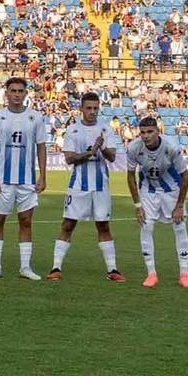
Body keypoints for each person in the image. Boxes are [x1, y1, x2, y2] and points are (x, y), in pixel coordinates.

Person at [51, 92, 123, 282]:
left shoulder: (106, 129)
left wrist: (101, 148)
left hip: (101, 187)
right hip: (78, 185)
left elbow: (113, 157)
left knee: (103, 225)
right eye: (89, 108)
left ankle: (113, 270)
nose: (92, 112)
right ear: (81, 109)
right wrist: (89, 152)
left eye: (95, 108)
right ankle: (56, 267)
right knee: (68, 224)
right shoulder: (73, 130)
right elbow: (69, 158)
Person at [0, 77, 48, 280]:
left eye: (21, 91)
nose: (17, 95)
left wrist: (43, 176)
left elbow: (41, 147)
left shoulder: (35, 117)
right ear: (7, 93)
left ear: (26, 94)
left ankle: (25, 267)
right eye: (13, 91)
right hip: (3, 180)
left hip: (27, 180)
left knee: (26, 221)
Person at [126, 117, 188, 289]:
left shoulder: (171, 147)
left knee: (179, 227)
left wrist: (179, 206)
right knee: (146, 226)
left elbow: (185, 176)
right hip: (148, 190)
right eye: (142, 132)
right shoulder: (133, 148)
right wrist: (137, 206)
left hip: (172, 190)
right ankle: (151, 274)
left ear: (158, 131)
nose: (146, 136)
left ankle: (184, 274)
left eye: (150, 132)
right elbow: (130, 176)